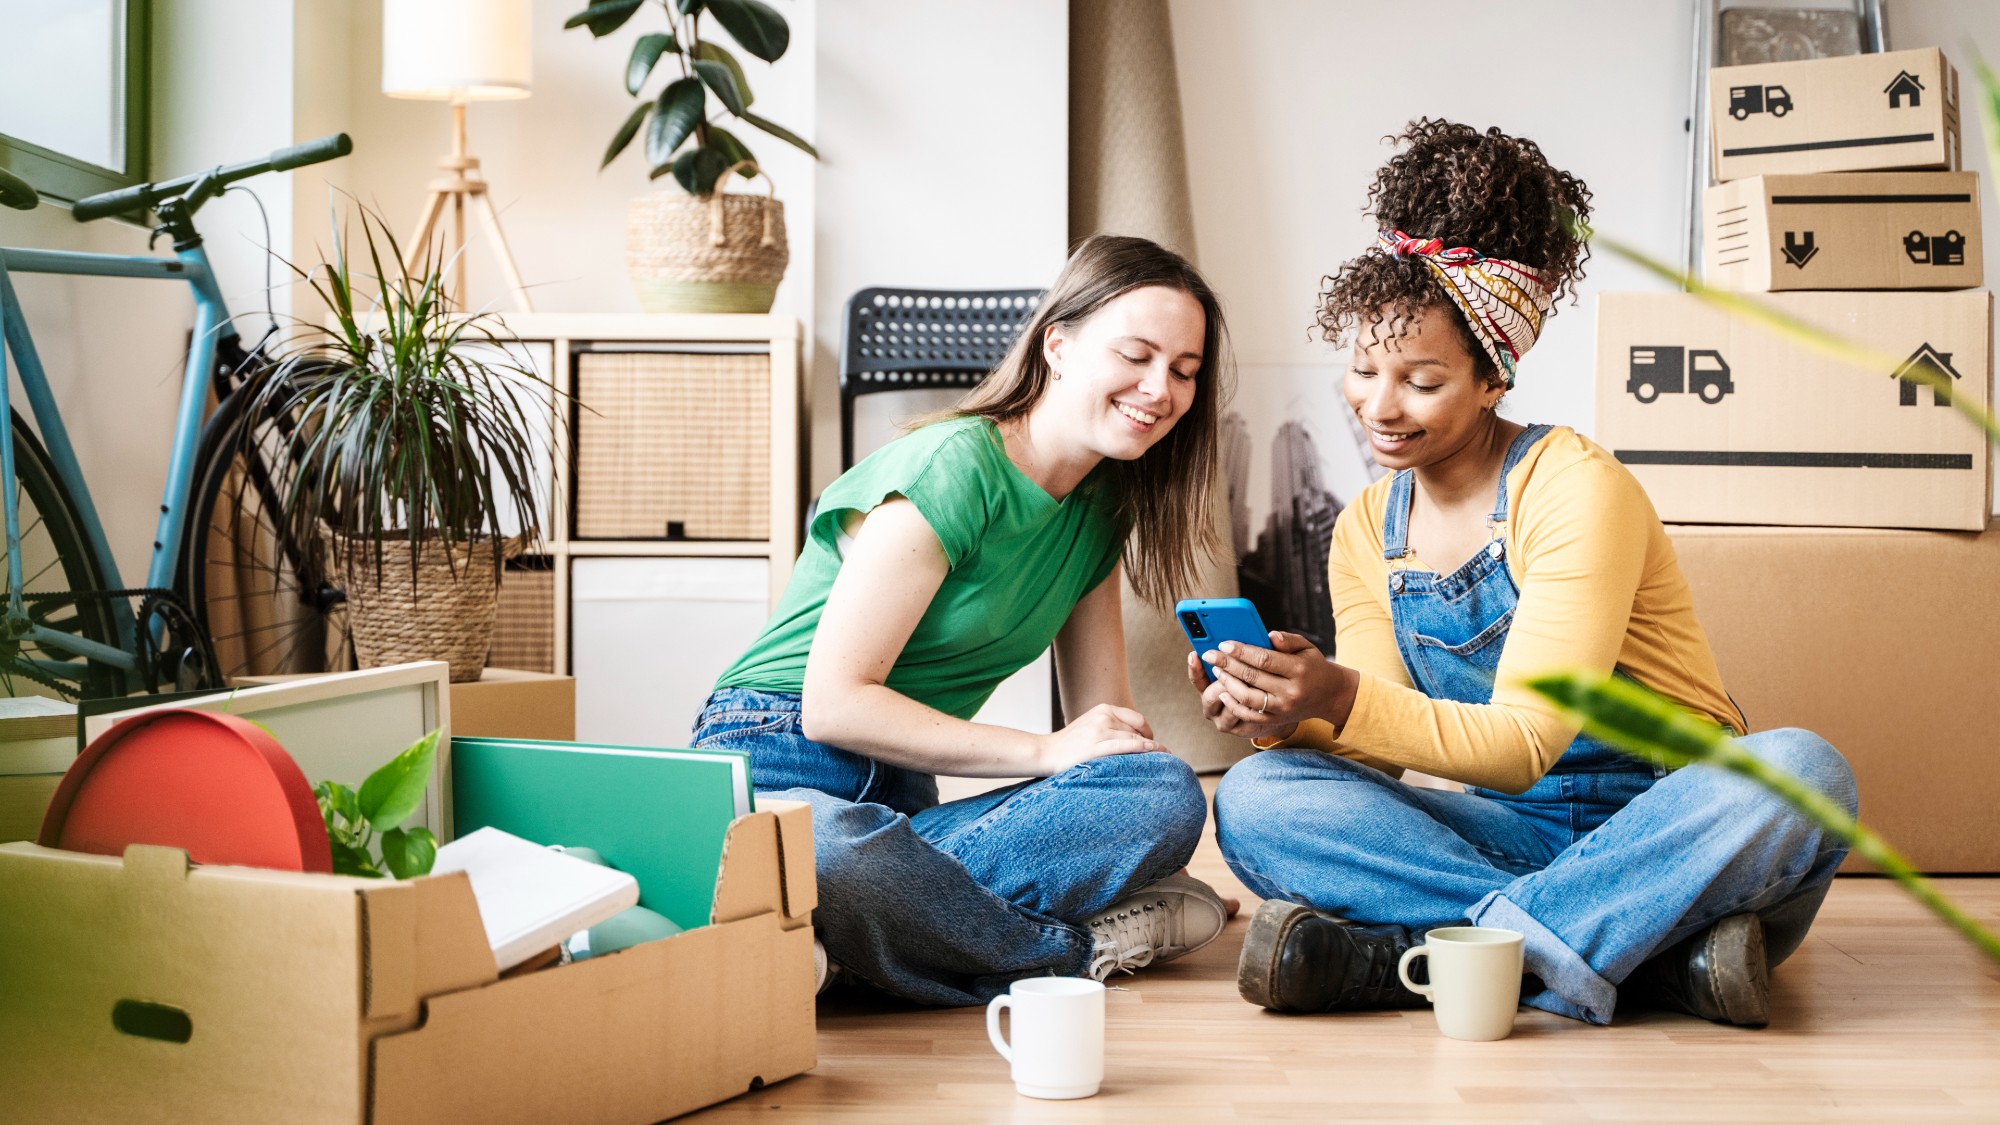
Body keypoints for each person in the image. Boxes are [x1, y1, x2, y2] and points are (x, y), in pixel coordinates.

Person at [1192, 120, 1858, 1028]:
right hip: (1515, 836)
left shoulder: (1576, 486)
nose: (1379, 407)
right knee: (1261, 799)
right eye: (1361, 369)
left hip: (1672, 824)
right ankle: (1653, 960)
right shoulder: (1366, 529)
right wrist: (1287, 714)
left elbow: (1522, 747)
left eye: (1421, 381)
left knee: (1802, 771)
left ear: (1492, 380)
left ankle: (1407, 960)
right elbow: (1388, 737)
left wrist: (1338, 693)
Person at [696, 235, 1235, 1007]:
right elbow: (834, 703)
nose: (1160, 389)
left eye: (1183, 372)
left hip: (903, 809)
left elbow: (1103, 736)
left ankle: (849, 948)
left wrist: (1135, 830)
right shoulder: (953, 466)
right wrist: (1047, 752)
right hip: (779, 757)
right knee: (833, 855)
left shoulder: (1102, 510)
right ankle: (1069, 951)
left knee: (1165, 788)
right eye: (1137, 355)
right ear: (1059, 343)